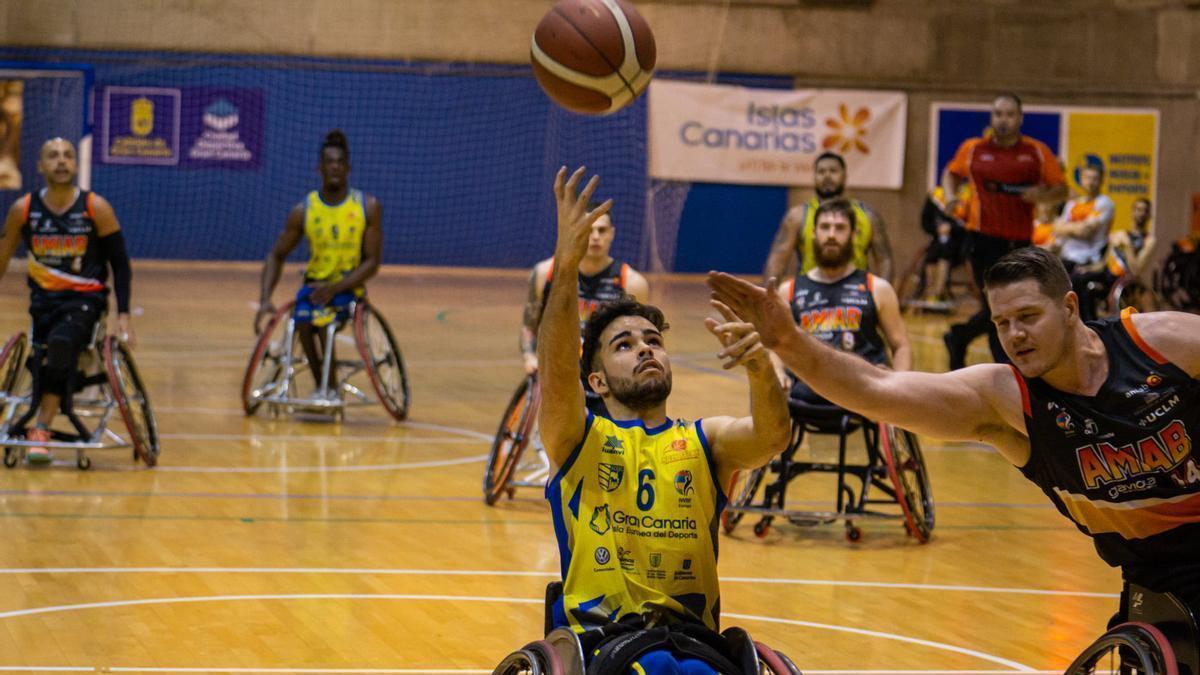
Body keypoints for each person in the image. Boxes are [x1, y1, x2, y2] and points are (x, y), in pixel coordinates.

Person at [708, 246, 1200, 629]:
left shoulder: (1165, 343)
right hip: (1160, 582)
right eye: (1001, 323)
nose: (1014, 335)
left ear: (1070, 307)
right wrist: (789, 342)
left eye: (1028, 317)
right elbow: (877, 390)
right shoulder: (1005, 400)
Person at [540, 167, 790, 672]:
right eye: (624, 345)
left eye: (653, 341)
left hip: (695, 644)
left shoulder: (706, 440)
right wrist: (566, 266)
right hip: (607, 646)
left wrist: (761, 366)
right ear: (597, 382)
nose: (645, 349)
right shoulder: (579, 437)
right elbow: (557, 368)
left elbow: (771, 438)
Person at [0, 137, 134, 464]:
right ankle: (39, 410)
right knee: (45, 353)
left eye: (68, 155)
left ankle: (41, 427)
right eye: (53, 156)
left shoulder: (96, 208)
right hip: (43, 304)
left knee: (61, 342)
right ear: (40, 165)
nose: (61, 161)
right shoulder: (23, 210)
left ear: (75, 164)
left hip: (84, 302)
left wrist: (124, 315)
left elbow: (120, 264)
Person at [942, 94, 1067, 370]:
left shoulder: (1036, 152)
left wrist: (1042, 195)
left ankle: (960, 336)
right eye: (998, 114)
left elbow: (1061, 189)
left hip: (1020, 243)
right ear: (991, 117)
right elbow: (951, 173)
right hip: (982, 240)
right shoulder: (973, 149)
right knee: (997, 304)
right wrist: (950, 197)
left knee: (1006, 305)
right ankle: (1006, 368)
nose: (1003, 120)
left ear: (1020, 118)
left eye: (1009, 114)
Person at [255, 130, 381, 392]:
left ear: (348, 168)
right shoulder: (304, 210)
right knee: (302, 318)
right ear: (319, 168)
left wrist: (335, 289)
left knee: (323, 321)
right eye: (329, 162)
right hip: (314, 287)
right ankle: (322, 386)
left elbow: (372, 263)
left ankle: (330, 388)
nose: (335, 167)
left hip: (348, 289)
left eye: (340, 162)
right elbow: (276, 255)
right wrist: (265, 298)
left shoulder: (366, 206)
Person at [774, 198, 911, 406]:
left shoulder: (878, 288)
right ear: (813, 233)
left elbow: (901, 345)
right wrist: (777, 371)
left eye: (840, 228)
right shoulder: (789, 290)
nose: (831, 235)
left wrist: (898, 381)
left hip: (865, 394)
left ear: (853, 235)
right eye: (825, 227)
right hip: (806, 392)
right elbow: (775, 345)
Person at [519, 205, 648, 414]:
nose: (595, 237)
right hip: (559, 378)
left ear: (612, 233)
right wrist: (529, 357)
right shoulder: (546, 273)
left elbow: (638, 339)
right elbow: (530, 324)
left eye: (602, 230)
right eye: (588, 230)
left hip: (606, 381)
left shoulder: (632, 283)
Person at [763, 151, 894, 284]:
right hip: (809, 292)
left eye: (833, 171)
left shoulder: (868, 215)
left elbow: (884, 260)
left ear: (845, 176)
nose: (827, 176)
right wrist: (767, 294)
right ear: (814, 177)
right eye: (821, 172)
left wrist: (886, 291)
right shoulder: (797, 216)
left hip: (857, 292)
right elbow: (777, 260)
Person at [1055, 165, 1116, 321]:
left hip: (1090, 259)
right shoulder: (1072, 204)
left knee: (1075, 282)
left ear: (1101, 181)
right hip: (1067, 257)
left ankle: (1087, 323)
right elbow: (1056, 228)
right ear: (1081, 180)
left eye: (1095, 178)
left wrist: (1068, 228)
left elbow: (1086, 231)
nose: (1091, 182)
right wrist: (1076, 228)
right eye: (1088, 178)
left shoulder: (1104, 203)